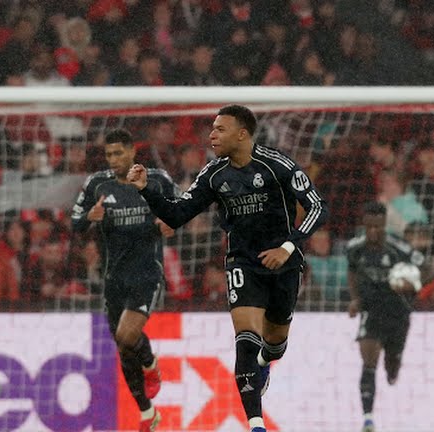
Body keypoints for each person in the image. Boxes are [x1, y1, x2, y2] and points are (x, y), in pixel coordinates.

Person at [127, 105, 328, 432]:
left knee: (276, 341)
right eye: (212, 129)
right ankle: (256, 424)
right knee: (246, 338)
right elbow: (178, 214)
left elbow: (318, 207)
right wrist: (146, 188)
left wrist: (288, 247)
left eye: (220, 129)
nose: (212, 135)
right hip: (242, 263)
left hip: (284, 262)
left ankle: (264, 362)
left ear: (242, 134)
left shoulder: (277, 165)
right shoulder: (213, 174)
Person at [72, 128, 178, 432]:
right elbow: (75, 222)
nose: (113, 159)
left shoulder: (157, 179)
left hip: (146, 273)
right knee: (123, 346)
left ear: (132, 152)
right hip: (114, 278)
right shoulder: (97, 184)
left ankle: (150, 363)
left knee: (127, 336)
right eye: (109, 154)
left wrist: (171, 221)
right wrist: (89, 218)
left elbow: (182, 209)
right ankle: (147, 414)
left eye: (118, 153)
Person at [346, 202, 424, 432]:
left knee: (391, 367)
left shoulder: (399, 248)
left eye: (378, 227)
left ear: (384, 224)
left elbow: (426, 268)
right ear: (364, 224)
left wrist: (410, 284)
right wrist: (355, 299)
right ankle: (368, 419)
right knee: (369, 361)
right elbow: (352, 271)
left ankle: (394, 365)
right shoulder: (354, 248)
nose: (373, 231)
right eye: (369, 226)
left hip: (397, 312)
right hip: (371, 310)